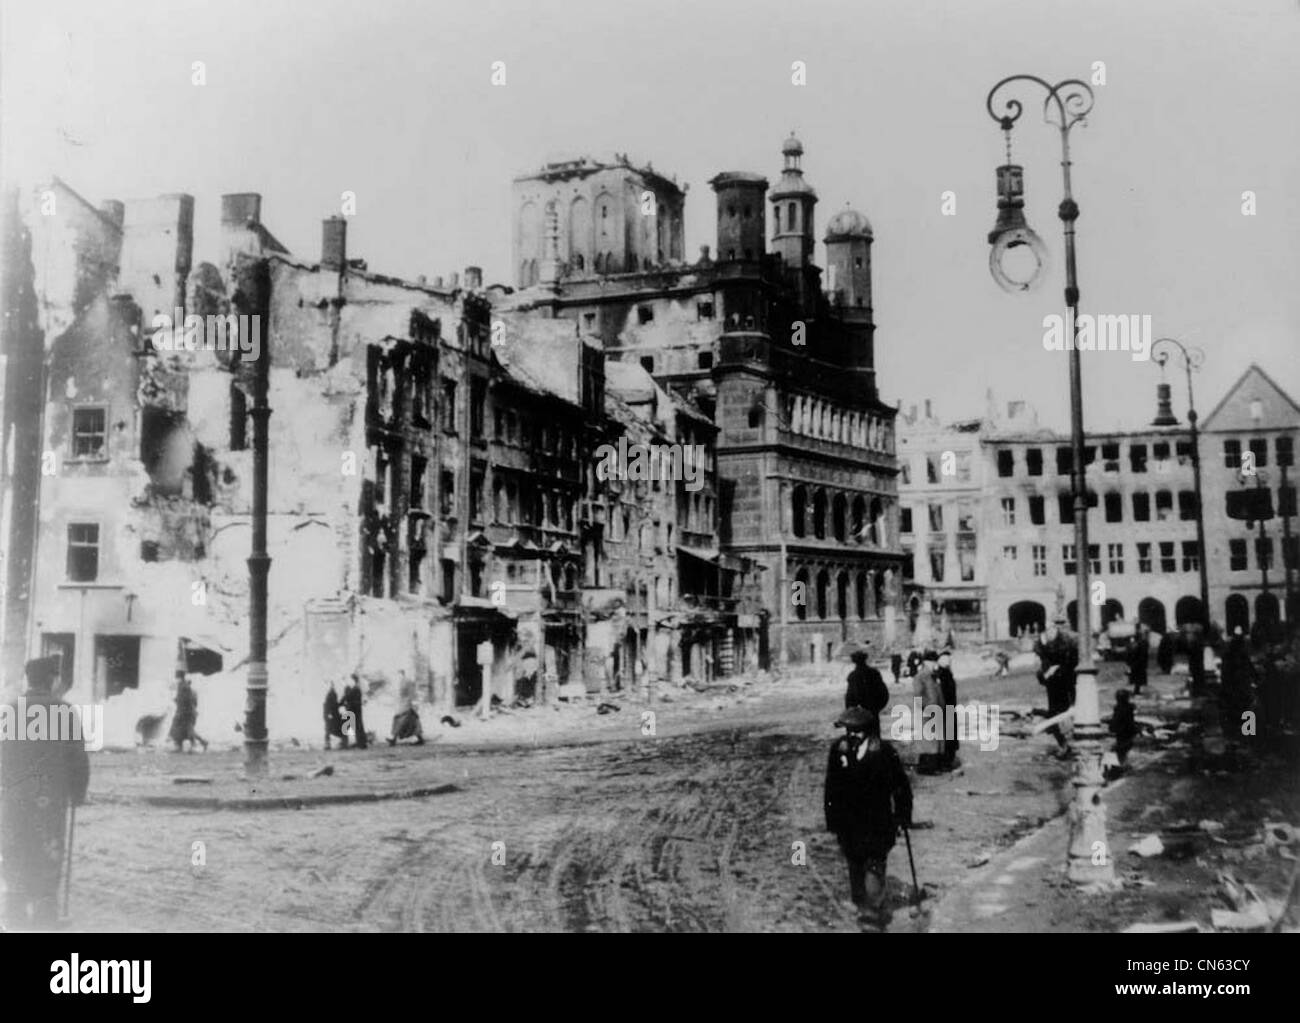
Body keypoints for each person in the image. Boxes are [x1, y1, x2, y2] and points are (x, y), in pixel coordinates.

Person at [1, 656, 90, 929]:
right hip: (48, 801)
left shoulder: (9, 711)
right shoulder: (64, 712)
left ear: (28, 680)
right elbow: (77, 759)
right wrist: (77, 792)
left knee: (15, 850)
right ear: (51, 680)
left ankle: (14, 915)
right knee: (47, 851)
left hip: (13, 800)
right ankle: (44, 917)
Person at [823, 707, 913, 930]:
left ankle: (872, 911)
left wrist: (902, 815)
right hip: (849, 823)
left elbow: (901, 787)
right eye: (848, 730)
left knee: (874, 864)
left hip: (877, 822)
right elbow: (831, 788)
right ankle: (860, 901)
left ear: (868, 731)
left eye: (856, 730)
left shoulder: (883, 751)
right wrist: (832, 818)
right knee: (854, 863)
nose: (851, 735)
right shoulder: (839, 750)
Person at [1034, 615, 1078, 753]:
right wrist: (1045, 674)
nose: (1048, 632)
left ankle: (1068, 743)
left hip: (1066, 682)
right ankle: (1064, 744)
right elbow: (1041, 663)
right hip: (1053, 685)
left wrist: (1057, 669)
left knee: (1067, 714)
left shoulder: (1067, 641)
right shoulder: (1042, 642)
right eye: (1046, 630)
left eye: (1050, 629)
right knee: (1054, 715)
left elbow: (1072, 662)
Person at [912, 649, 944, 774]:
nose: (934, 664)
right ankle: (926, 768)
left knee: (933, 741)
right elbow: (918, 695)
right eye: (931, 662)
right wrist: (926, 708)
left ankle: (933, 766)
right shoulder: (921, 676)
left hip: (935, 712)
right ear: (926, 662)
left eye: (934, 661)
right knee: (927, 742)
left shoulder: (933, 675)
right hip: (927, 713)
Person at [844, 646, 889, 716]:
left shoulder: (853, 676)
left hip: (859, 715)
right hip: (873, 710)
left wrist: (850, 711)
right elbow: (883, 692)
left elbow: (850, 697)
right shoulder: (874, 673)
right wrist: (877, 707)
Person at [168, 674, 207, 753]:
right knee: (186, 730)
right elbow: (194, 703)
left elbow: (184, 702)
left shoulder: (186, 691)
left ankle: (199, 743)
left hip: (187, 714)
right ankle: (201, 742)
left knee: (189, 731)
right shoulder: (191, 691)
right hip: (188, 713)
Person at [935, 649, 959, 771]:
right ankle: (946, 761)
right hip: (946, 708)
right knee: (948, 736)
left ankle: (948, 759)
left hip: (949, 708)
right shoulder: (943, 674)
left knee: (949, 735)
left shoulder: (943, 673)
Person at [387, 670, 425, 746]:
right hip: (403, 705)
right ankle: (420, 739)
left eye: (399, 674)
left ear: (402, 674)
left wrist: (411, 703)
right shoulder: (401, 682)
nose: (398, 676)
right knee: (413, 722)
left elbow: (411, 693)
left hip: (407, 705)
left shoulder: (407, 682)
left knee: (400, 721)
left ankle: (393, 739)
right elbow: (399, 694)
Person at [1109, 689, 1137, 768]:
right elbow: (1130, 721)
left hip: (1122, 732)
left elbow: (1116, 720)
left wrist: (1112, 727)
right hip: (1128, 732)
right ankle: (1123, 764)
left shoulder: (1119, 709)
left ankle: (1122, 765)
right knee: (1124, 749)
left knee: (1121, 750)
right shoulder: (1129, 708)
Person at [342, 675, 367, 749]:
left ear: (353, 680)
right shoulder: (356, 688)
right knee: (358, 726)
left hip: (354, 709)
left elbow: (348, 697)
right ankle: (361, 743)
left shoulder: (354, 689)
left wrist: (345, 687)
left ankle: (360, 743)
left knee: (356, 726)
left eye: (350, 680)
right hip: (356, 709)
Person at [1126, 622, 1148, 696]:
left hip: (1137, 657)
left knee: (1137, 675)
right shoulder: (1138, 636)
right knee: (1138, 675)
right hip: (1138, 657)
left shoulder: (1138, 636)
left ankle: (1136, 689)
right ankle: (1136, 690)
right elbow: (1133, 646)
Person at [323, 680, 346, 750]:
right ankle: (342, 742)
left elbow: (333, 705)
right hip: (332, 716)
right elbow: (334, 705)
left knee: (328, 730)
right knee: (334, 729)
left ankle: (328, 744)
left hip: (331, 715)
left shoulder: (330, 695)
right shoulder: (331, 695)